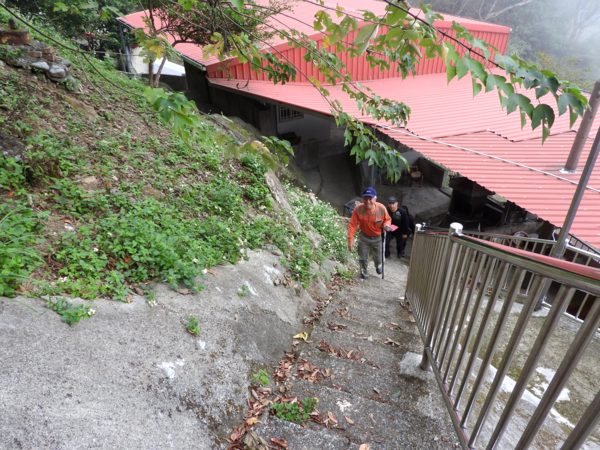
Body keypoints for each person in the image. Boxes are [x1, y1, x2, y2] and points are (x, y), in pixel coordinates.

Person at [347, 187, 392, 279]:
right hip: (364, 237)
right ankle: (364, 271)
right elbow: (352, 225)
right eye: (365, 198)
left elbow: (387, 219)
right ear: (362, 199)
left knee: (378, 257)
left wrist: (386, 225)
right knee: (362, 256)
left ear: (375, 198)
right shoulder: (358, 209)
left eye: (370, 198)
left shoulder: (381, 208)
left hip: (377, 237)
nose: (367, 201)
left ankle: (378, 265)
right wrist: (350, 239)